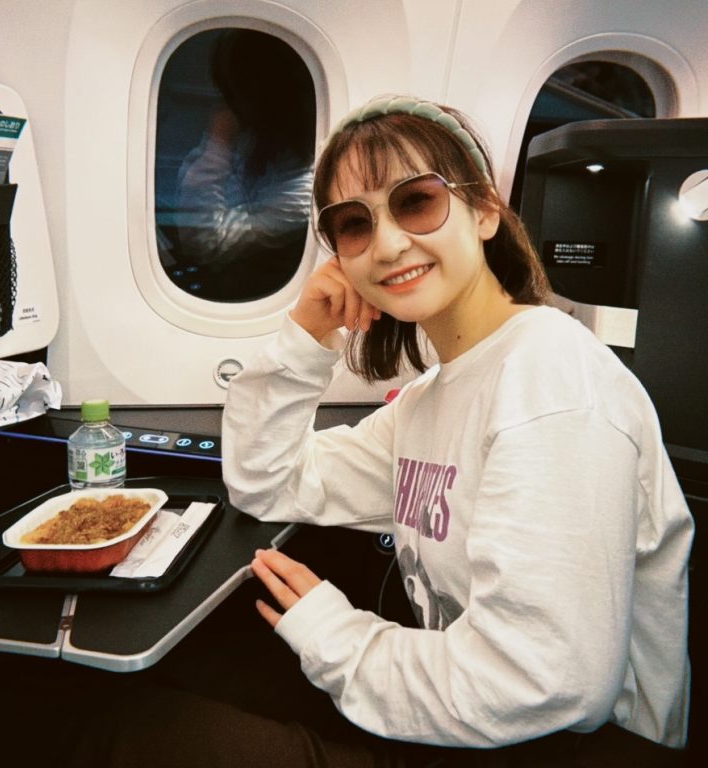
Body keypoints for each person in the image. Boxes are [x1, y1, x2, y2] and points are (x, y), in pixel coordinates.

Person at [220, 94, 694, 765]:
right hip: (467, 717)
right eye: (354, 224)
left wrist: (334, 635)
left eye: (416, 202)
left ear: (485, 210)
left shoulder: (551, 380)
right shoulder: (428, 400)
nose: (387, 244)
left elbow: (549, 680)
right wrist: (306, 335)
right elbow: (267, 482)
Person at [175, 29, 315, 301]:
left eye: (236, 94)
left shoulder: (302, 191)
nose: (228, 107)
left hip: (248, 293)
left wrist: (218, 142)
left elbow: (206, 243)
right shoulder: (260, 148)